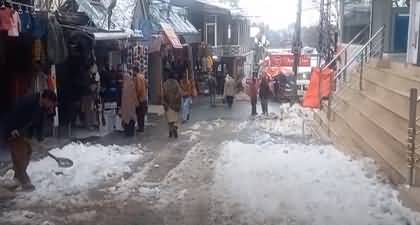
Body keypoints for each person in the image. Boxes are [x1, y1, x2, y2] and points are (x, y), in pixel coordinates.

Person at [0, 90, 57, 191]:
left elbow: (39, 124)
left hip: (24, 132)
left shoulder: (42, 107)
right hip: (13, 131)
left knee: (28, 153)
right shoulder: (28, 101)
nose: (51, 106)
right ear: (45, 99)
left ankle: (17, 178)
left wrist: (40, 141)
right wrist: (12, 128)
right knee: (20, 155)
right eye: (51, 103)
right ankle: (25, 182)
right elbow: (13, 113)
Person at [163, 73, 182, 138]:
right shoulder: (176, 83)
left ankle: (170, 132)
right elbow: (179, 93)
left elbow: (163, 94)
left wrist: (164, 102)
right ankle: (175, 127)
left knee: (169, 120)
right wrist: (177, 100)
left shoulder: (165, 84)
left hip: (168, 104)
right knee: (175, 118)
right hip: (175, 104)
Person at [120, 68, 138, 137]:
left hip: (125, 106)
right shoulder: (132, 84)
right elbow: (134, 95)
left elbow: (123, 98)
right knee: (131, 118)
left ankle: (127, 133)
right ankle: (131, 132)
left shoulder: (124, 86)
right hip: (131, 105)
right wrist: (136, 103)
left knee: (126, 119)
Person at [133, 67, 147, 133]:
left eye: (133, 71)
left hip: (140, 99)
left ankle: (140, 128)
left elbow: (139, 88)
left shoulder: (137, 78)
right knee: (142, 114)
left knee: (139, 114)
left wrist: (136, 96)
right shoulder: (143, 76)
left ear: (135, 71)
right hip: (144, 97)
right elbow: (146, 85)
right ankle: (142, 127)